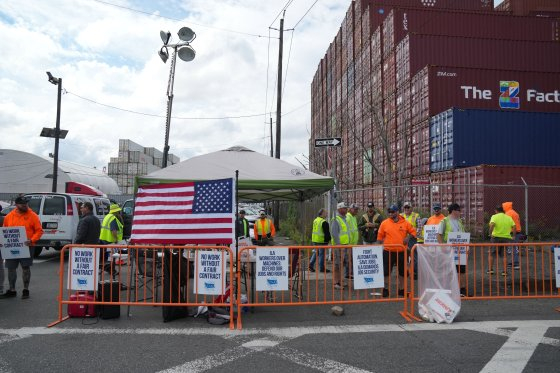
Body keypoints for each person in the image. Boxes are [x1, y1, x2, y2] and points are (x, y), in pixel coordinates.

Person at [0, 196, 43, 299]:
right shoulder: (9, 216)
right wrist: (2, 242)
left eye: (26, 203)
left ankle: (25, 290)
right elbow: (4, 231)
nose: (25, 205)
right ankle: (12, 290)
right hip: (11, 247)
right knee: (11, 268)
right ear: (16, 205)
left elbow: (39, 231)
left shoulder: (33, 216)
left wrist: (32, 240)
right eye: (23, 204)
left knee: (25, 268)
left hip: (27, 246)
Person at [376, 204, 416, 297]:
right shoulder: (384, 223)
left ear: (397, 212)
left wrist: (408, 237)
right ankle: (385, 289)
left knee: (402, 272)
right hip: (388, 251)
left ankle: (402, 290)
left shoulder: (405, 223)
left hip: (401, 251)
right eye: (389, 212)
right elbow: (379, 236)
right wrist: (376, 249)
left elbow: (413, 232)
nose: (390, 213)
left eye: (392, 212)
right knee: (386, 272)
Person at [437, 203, 468, 297]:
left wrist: (467, 247)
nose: (460, 212)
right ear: (453, 211)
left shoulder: (459, 222)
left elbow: (463, 234)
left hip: (460, 250)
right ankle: (449, 289)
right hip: (449, 250)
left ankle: (462, 290)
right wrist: (442, 246)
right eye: (459, 210)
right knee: (450, 270)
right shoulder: (444, 221)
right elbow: (439, 234)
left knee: (461, 270)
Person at [487, 205, 515, 276]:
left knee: (492, 254)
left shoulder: (494, 216)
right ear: (503, 211)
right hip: (506, 238)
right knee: (504, 255)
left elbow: (492, 225)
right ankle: (504, 271)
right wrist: (513, 236)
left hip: (495, 237)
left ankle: (490, 270)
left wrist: (490, 233)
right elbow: (514, 226)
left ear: (496, 211)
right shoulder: (508, 218)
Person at [99, 203, 124, 278]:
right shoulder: (113, 218)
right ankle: (111, 270)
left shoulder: (107, 216)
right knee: (112, 256)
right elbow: (113, 230)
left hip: (104, 239)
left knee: (108, 256)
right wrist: (116, 239)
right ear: (116, 211)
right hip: (110, 240)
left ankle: (107, 269)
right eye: (118, 211)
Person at [330, 202, 350, 289]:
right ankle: (336, 283)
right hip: (339, 246)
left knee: (341, 264)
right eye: (344, 208)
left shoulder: (344, 218)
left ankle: (340, 281)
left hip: (344, 245)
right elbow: (334, 233)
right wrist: (338, 245)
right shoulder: (336, 219)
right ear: (340, 209)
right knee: (337, 264)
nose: (346, 209)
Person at [309, 208, 331, 273]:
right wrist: (329, 240)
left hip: (315, 240)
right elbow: (327, 234)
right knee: (322, 255)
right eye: (326, 213)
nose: (327, 214)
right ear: (322, 214)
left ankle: (311, 265)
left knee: (316, 253)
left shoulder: (315, 220)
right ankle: (322, 268)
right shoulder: (324, 222)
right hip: (322, 241)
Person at [502, 202, 522, 269]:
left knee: (513, 248)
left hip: (513, 233)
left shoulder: (508, 213)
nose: (503, 208)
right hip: (517, 232)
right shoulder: (514, 212)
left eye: (503, 206)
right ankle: (513, 262)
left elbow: (507, 223)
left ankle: (516, 263)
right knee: (513, 248)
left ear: (506, 207)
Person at [345, 203, 360, 279]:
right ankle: (348, 274)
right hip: (349, 243)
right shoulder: (348, 217)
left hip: (353, 243)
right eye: (355, 209)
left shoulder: (353, 217)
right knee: (349, 259)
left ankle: (350, 273)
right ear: (350, 209)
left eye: (357, 209)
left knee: (351, 259)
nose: (356, 211)